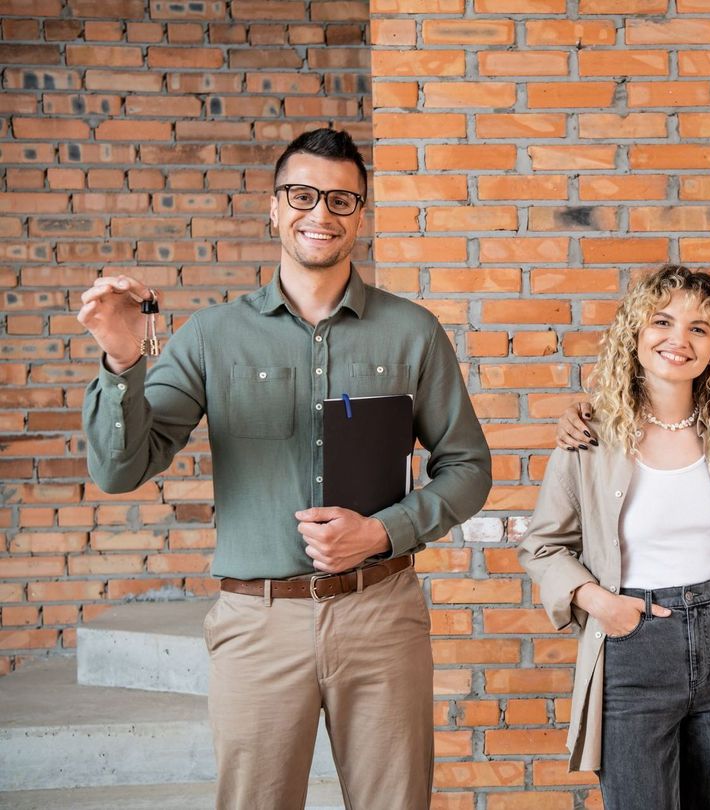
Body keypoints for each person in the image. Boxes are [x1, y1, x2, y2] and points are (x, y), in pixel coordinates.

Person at [78, 128, 492, 810]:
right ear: (273, 209)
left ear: (360, 213)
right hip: (258, 623)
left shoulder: (412, 332)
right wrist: (125, 362)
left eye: (340, 199)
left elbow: (468, 467)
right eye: (301, 195)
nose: (320, 214)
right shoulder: (212, 336)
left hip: (381, 614)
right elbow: (123, 470)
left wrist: (385, 532)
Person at [519, 265, 710, 810]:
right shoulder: (590, 435)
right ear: (635, 334)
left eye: (699, 329)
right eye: (662, 322)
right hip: (633, 646)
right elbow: (543, 545)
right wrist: (602, 605)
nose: (679, 340)